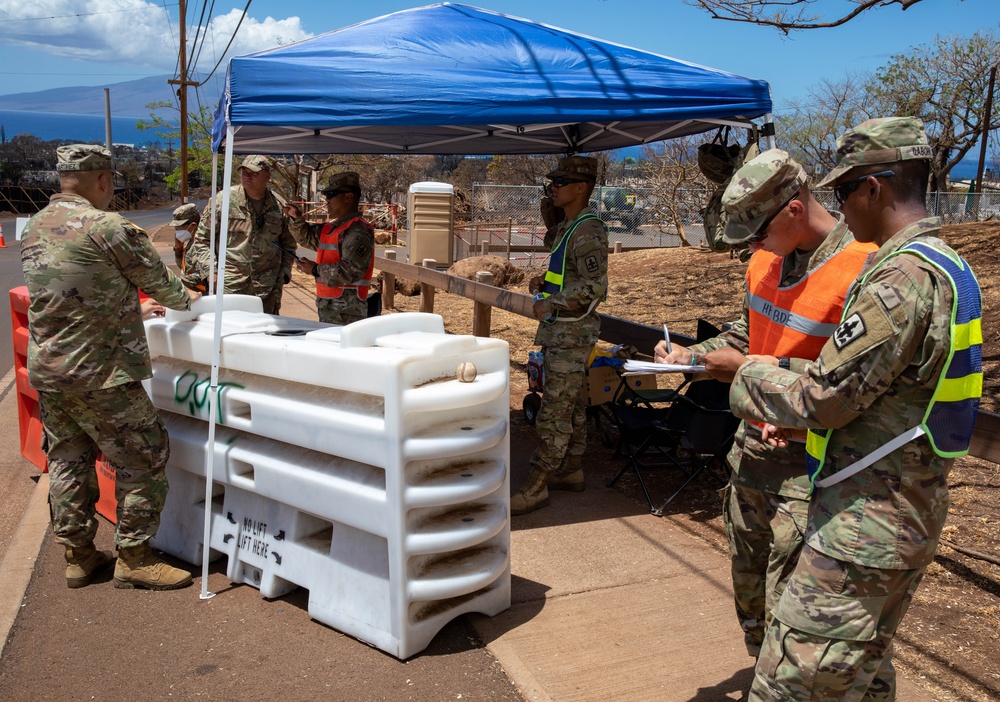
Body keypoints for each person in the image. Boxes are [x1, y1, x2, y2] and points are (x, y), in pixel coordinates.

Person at [728, 117, 982, 701]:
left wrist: (743, 374)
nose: (840, 208)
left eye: (844, 192)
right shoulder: (946, 265)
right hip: (893, 511)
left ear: (876, 188)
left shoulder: (902, 277)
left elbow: (826, 397)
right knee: (859, 683)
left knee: (790, 685)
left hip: (866, 521)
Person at [653, 149, 876, 659]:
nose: (752, 245)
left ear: (794, 209)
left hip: (811, 470)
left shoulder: (864, 269)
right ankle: (763, 671)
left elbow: (851, 385)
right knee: (751, 590)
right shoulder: (765, 260)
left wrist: (787, 410)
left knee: (792, 611)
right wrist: (693, 355)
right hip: (752, 454)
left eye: (757, 231)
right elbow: (748, 334)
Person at [20, 144, 201, 591]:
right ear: (102, 180)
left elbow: (69, 292)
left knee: (67, 459)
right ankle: (134, 557)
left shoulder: (36, 226)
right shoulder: (107, 226)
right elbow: (166, 286)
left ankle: (79, 557)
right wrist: (190, 300)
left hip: (51, 370)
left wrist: (127, 311)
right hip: (100, 373)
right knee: (145, 453)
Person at [511, 155, 609, 515]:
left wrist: (551, 304)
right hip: (563, 333)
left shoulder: (588, 229)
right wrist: (545, 284)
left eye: (560, 182)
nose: (552, 188)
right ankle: (570, 469)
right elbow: (568, 276)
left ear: (581, 187)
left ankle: (536, 487)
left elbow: (595, 287)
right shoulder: (570, 227)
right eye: (551, 182)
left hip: (571, 333)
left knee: (554, 411)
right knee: (573, 407)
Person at [183, 154, 297, 314]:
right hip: (230, 284)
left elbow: (288, 244)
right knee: (230, 332)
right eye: (244, 172)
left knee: (265, 334)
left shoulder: (278, 206)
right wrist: (211, 272)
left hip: (267, 288)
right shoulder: (224, 201)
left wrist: (284, 273)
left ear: (268, 176)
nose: (247, 176)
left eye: (254, 173)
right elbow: (202, 239)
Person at [283, 171, 375, 325]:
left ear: (348, 197)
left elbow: (351, 270)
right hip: (331, 308)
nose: (327, 200)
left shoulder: (357, 232)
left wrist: (315, 269)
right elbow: (306, 238)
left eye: (332, 194)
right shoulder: (334, 228)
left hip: (347, 313)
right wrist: (296, 218)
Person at [169, 202, 200, 271]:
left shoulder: (201, 245)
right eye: (176, 227)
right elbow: (184, 267)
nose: (177, 230)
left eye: (180, 227)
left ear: (193, 225)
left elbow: (199, 274)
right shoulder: (189, 243)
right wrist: (178, 249)